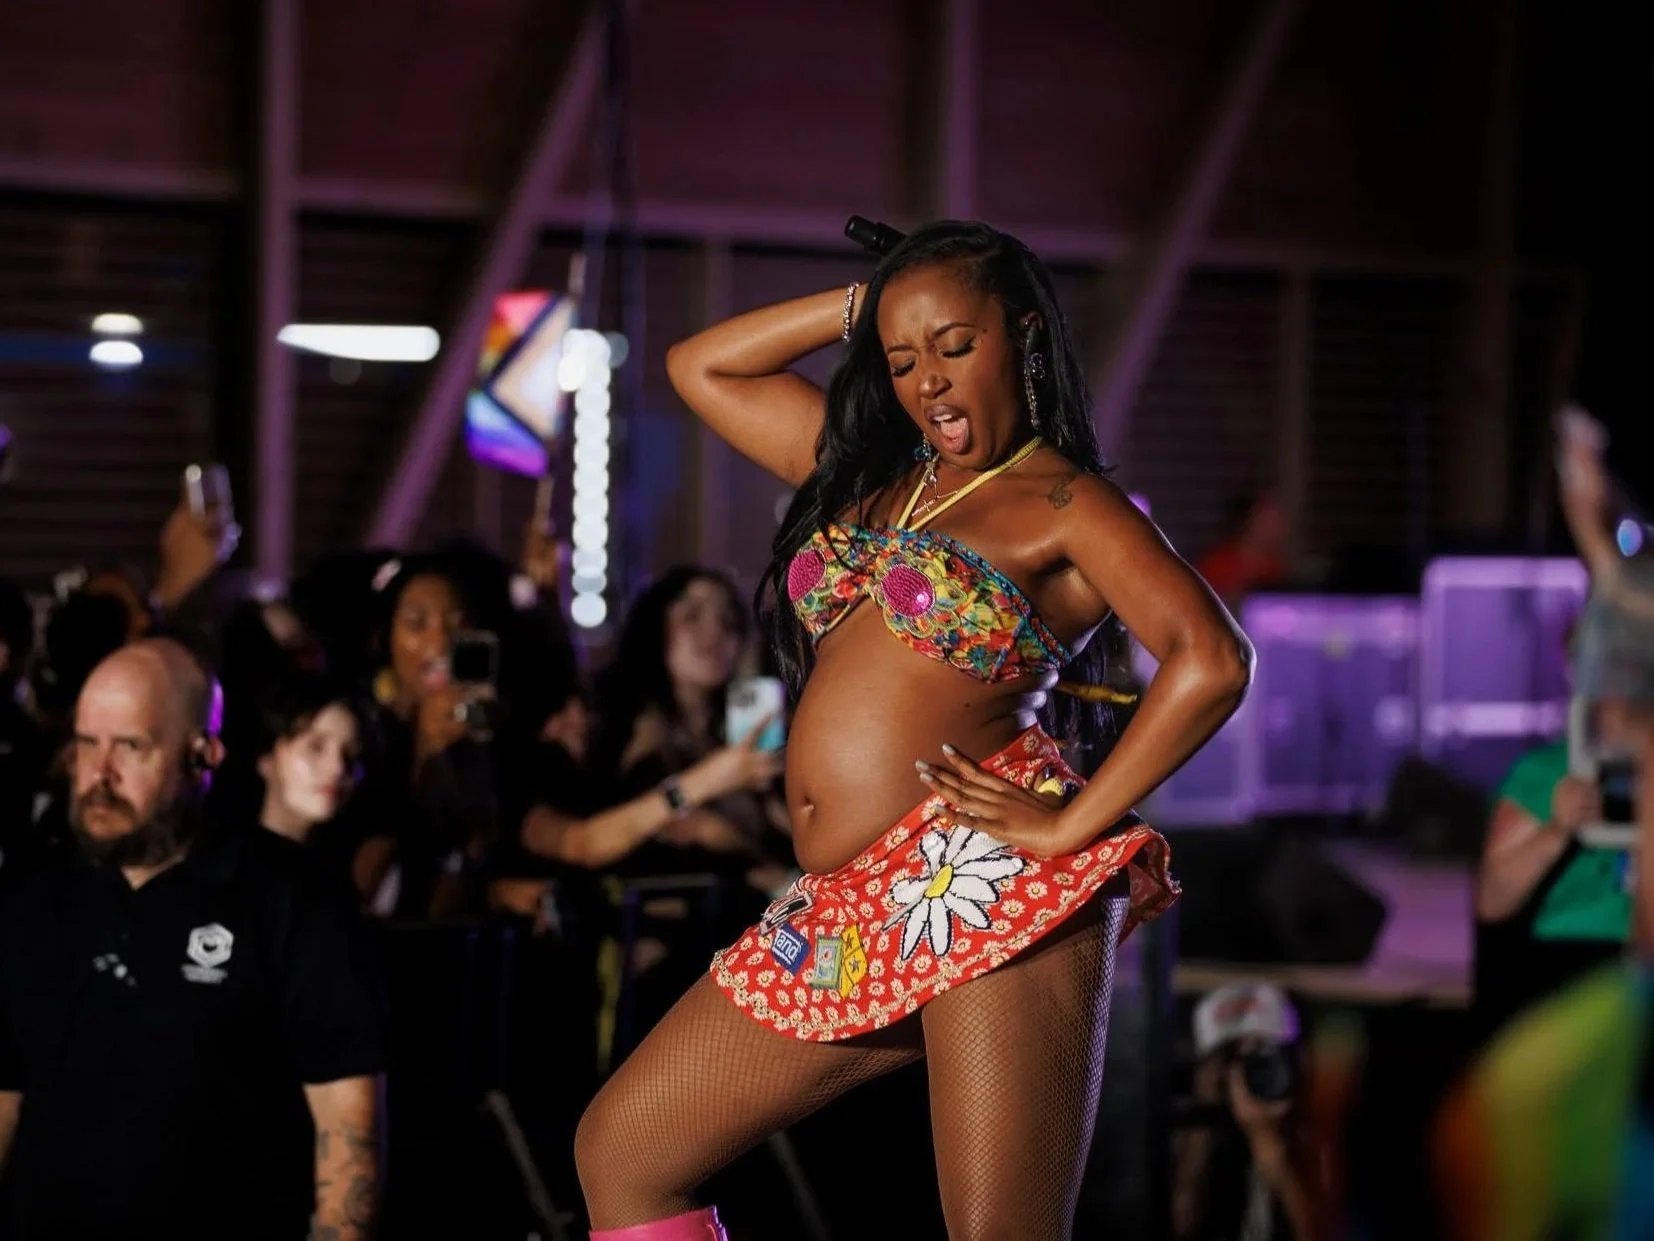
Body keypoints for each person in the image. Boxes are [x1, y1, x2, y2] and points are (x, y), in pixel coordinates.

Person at [574, 220, 1252, 1239]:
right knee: (624, 1152)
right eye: (900, 358)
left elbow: (1212, 657)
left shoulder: (1065, 502)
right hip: (843, 900)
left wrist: (1077, 827)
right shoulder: (868, 478)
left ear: (1021, 335)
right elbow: (700, 366)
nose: (927, 381)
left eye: (952, 345)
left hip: (978, 879)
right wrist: (867, 300)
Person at [0, 639, 384, 1241]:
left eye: (131, 746)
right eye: (85, 742)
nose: (99, 773)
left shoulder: (290, 898)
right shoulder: (31, 896)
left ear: (202, 756)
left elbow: (348, 1123)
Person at [1173, 983, 1328, 1241]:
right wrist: (1207, 1113)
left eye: (1262, 1056)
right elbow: (1176, 1223)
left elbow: (1317, 1231)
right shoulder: (1197, 1133)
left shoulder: (1310, 1140)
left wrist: (1263, 1133)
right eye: (1233, 1057)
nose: (1249, 1074)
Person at [1194, 490, 1289, 609]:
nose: (1275, 529)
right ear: (1249, 521)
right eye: (1267, 521)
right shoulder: (1216, 564)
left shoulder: (1274, 569)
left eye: (1278, 522)